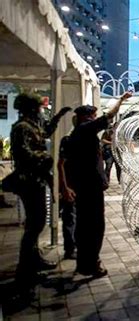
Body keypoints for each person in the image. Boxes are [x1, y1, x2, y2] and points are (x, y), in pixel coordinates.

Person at [9, 93, 71, 295]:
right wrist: (43, 157)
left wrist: (58, 116)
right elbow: (22, 153)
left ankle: (34, 261)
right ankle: (24, 272)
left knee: (38, 223)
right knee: (34, 226)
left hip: (37, 181)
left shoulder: (32, 126)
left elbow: (46, 132)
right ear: (31, 108)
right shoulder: (21, 128)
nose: (41, 110)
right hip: (29, 181)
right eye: (39, 107)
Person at [67, 92, 131, 278]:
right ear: (86, 118)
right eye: (93, 116)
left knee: (85, 225)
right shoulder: (84, 130)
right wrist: (120, 100)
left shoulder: (77, 134)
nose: (96, 119)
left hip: (84, 186)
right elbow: (108, 116)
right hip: (89, 187)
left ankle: (84, 262)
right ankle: (91, 263)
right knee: (94, 226)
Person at [58, 116, 77, 260]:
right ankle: (70, 249)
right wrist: (64, 187)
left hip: (82, 187)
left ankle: (75, 246)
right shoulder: (69, 140)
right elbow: (61, 164)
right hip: (71, 185)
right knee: (70, 217)